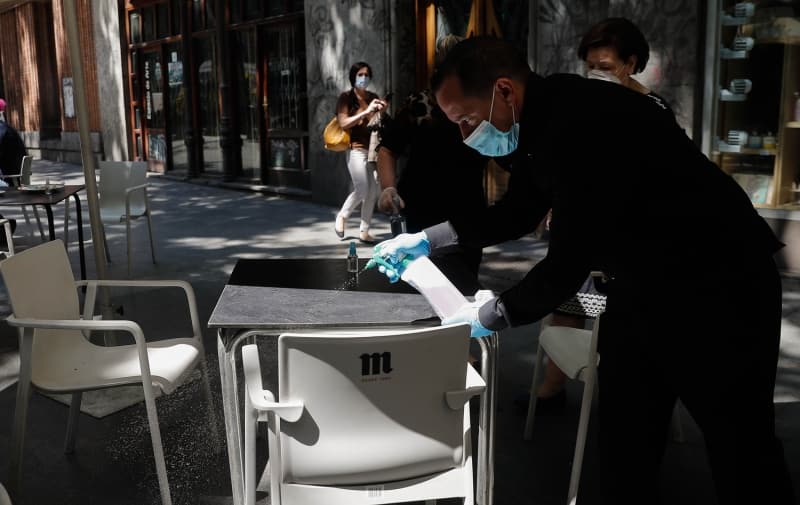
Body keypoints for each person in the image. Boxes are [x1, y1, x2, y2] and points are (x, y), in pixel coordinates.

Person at [371, 36, 794, 504]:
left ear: (504, 91)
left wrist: (490, 315)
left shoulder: (583, 122)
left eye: (466, 120)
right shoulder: (538, 125)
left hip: (719, 287)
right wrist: (428, 239)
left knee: (742, 450)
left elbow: (568, 261)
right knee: (624, 443)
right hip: (638, 286)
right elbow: (517, 211)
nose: (465, 135)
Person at [524, 17, 676, 412]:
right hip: (584, 227)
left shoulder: (654, 111)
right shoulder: (585, 104)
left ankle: (623, 402)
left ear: (631, 64)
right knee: (565, 297)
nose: (595, 75)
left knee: (620, 317)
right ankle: (553, 388)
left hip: (632, 241)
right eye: (590, 67)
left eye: (605, 67)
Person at [376, 34, 488, 294]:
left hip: (467, 210)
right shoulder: (420, 104)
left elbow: (511, 158)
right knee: (418, 286)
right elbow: (388, 149)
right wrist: (388, 188)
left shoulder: (485, 109)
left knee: (462, 286)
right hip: (420, 209)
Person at [333, 62, 387, 244]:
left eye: (367, 74)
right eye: (360, 74)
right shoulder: (346, 98)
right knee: (362, 188)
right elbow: (343, 123)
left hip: (372, 149)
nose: (364, 78)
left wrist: (382, 111)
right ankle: (342, 215)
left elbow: (378, 122)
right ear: (353, 77)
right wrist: (366, 112)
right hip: (355, 149)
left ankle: (364, 230)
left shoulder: (373, 97)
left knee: (372, 191)